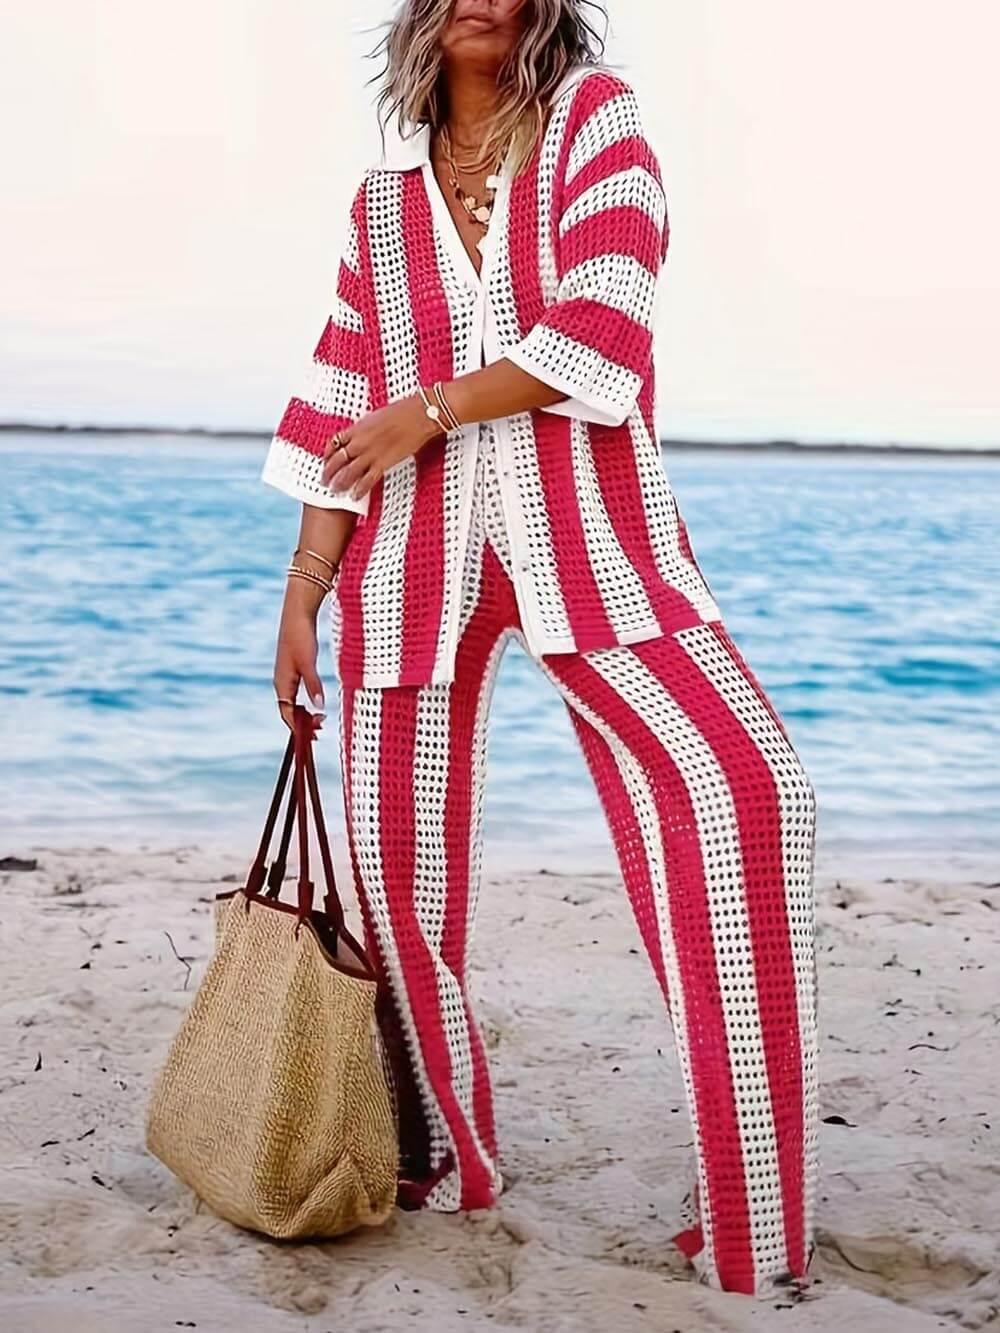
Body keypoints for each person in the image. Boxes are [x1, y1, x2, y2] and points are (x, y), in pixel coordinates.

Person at [262, 0, 818, 1298]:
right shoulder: (383, 200)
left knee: (746, 793)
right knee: (394, 877)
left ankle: (755, 1216)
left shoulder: (594, 125)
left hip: (592, 545)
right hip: (409, 566)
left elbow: (605, 318)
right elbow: (341, 392)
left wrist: (430, 409)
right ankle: (449, 1161)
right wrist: (302, 590)